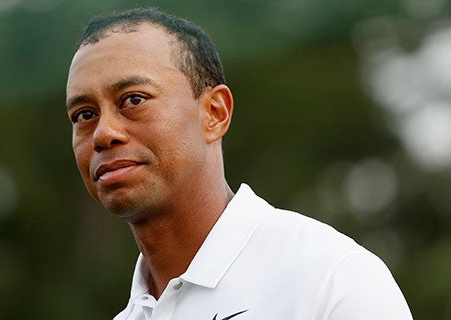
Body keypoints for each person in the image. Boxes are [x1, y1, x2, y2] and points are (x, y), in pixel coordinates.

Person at [65, 7, 413, 320]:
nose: (103, 133)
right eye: (84, 114)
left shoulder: (330, 280)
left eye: (133, 100)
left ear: (214, 113)